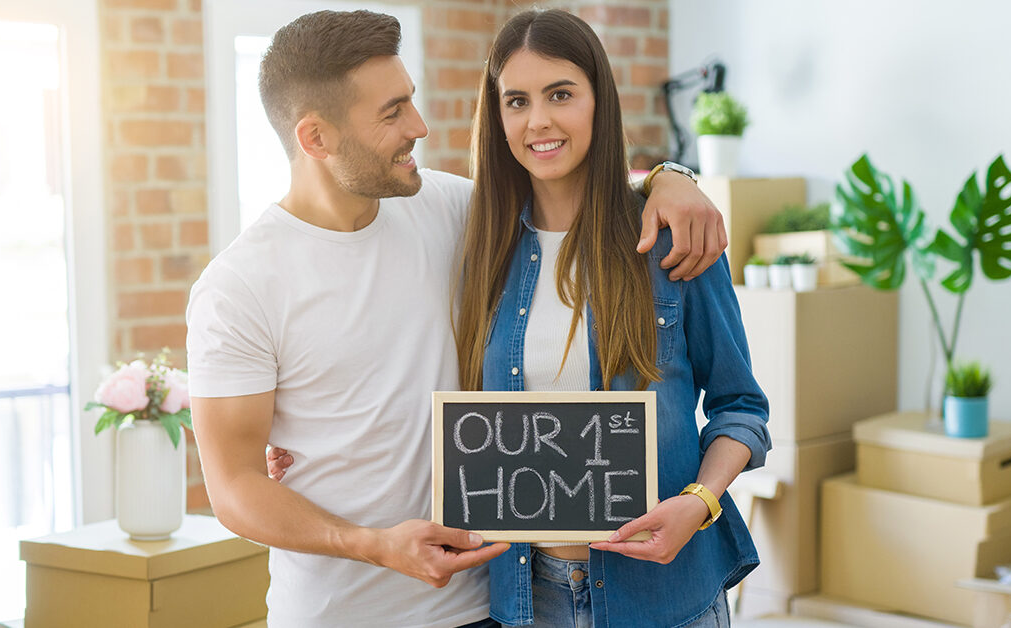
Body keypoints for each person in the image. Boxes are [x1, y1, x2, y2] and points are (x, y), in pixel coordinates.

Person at [189, 9, 728, 628]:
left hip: (488, 602)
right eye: (392, 113)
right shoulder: (238, 287)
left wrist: (672, 178)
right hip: (343, 610)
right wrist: (371, 543)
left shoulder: (451, 210)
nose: (418, 126)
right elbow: (231, 488)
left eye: (410, 101)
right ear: (315, 138)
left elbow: (568, 187)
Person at [452, 9, 770, 628]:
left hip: (666, 596)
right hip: (525, 598)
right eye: (516, 100)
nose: (538, 119)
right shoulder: (476, 249)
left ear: (601, 100)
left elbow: (741, 408)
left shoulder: (675, 239)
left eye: (561, 94)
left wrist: (698, 504)